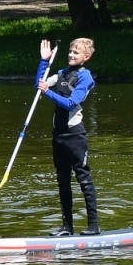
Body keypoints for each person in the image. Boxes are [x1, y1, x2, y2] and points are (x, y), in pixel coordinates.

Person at [37, 36, 100, 236]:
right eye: (70, 51)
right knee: (63, 181)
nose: (71, 55)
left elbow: (71, 103)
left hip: (75, 136)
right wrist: (44, 61)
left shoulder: (85, 78)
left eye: (76, 52)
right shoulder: (61, 74)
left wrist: (48, 92)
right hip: (58, 136)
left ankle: (93, 226)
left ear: (86, 57)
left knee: (84, 179)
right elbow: (39, 85)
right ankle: (67, 227)